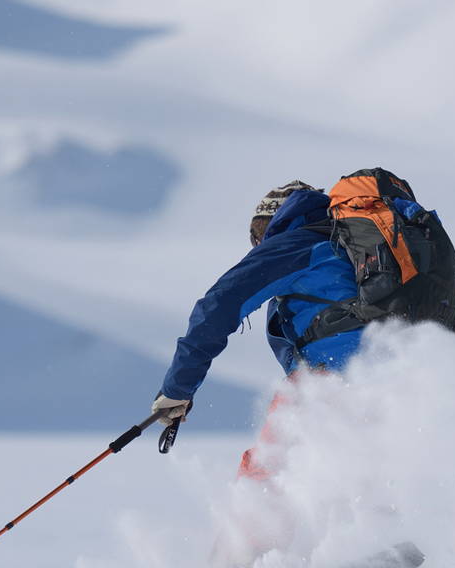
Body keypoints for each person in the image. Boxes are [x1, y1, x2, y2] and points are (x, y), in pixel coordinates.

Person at [151, 179, 365, 444]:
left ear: (270, 227)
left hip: (329, 383)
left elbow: (218, 306)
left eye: (256, 239)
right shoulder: (355, 249)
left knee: (267, 478)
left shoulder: (294, 245)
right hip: (392, 382)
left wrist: (178, 388)